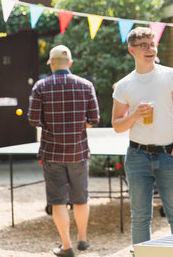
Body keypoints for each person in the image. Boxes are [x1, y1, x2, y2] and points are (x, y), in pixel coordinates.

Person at [112, 27, 173, 246]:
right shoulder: (125, 85)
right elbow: (117, 125)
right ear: (131, 50)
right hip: (137, 156)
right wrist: (134, 115)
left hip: (168, 155)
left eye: (152, 44)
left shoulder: (172, 75)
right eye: (143, 45)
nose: (149, 49)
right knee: (140, 217)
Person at [28, 45, 100, 257]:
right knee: (81, 198)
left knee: (58, 200)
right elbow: (94, 119)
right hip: (78, 152)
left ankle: (67, 246)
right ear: (70, 64)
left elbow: (33, 120)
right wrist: (77, 125)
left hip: (52, 153)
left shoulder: (41, 87)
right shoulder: (86, 85)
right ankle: (83, 240)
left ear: (50, 63)